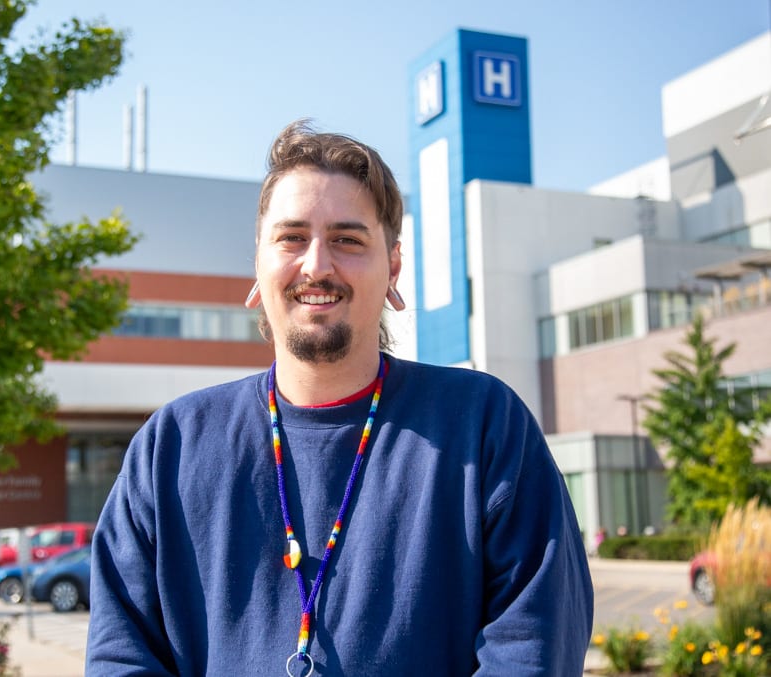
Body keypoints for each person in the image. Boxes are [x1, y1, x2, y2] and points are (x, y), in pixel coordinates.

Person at [86, 120, 594, 676]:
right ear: (258, 262)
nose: (317, 265)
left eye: (348, 240)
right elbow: (120, 655)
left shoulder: (483, 426)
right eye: (292, 237)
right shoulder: (172, 446)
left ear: (393, 267)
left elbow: (533, 646)